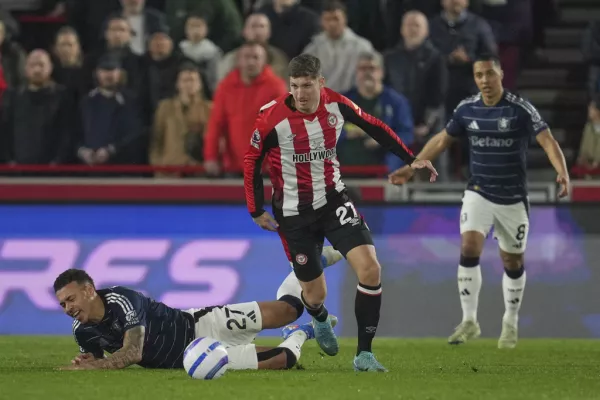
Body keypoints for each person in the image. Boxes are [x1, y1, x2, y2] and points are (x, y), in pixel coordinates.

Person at [243, 54, 437, 372]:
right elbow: (251, 161)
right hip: (293, 215)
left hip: (334, 202)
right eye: (294, 87)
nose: (301, 94)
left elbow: (374, 126)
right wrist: (255, 210)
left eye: (307, 86)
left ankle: (363, 354)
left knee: (371, 270)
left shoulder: (336, 104)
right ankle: (319, 318)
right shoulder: (270, 118)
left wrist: (410, 158)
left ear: (321, 83)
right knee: (314, 294)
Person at [388, 55, 570, 349]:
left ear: (501, 74)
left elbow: (547, 140)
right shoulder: (467, 108)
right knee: (469, 246)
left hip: (512, 198)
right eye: (479, 75)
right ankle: (470, 320)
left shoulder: (520, 109)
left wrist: (562, 172)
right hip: (478, 191)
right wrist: (412, 166)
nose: (484, 80)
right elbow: (442, 140)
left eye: (489, 74)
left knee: (512, 260)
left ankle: (510, 322)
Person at [55, 247, 343, 371]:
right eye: (62, 304)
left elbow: (133, 353)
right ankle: (301, 333)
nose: (68, 308)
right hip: (193, 359)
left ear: (89, 290)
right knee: (283, 360)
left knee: (289, 308)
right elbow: (93, 359)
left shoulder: (122, 300)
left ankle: (307, 265)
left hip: (201, 325)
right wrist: (86, 362)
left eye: (70, 299)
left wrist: (94, 366)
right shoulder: (82, 331)